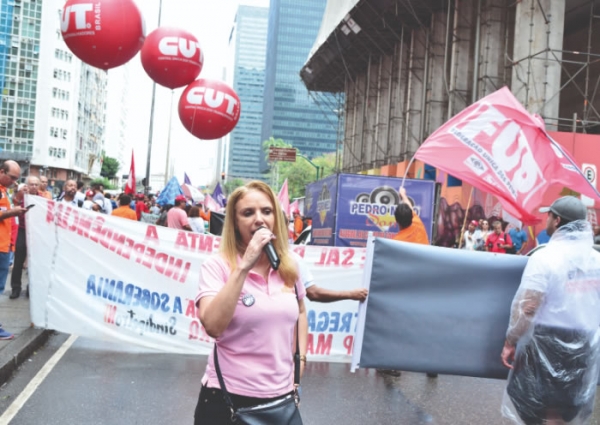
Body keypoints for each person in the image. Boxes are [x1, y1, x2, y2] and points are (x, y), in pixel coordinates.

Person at [193, 181, 307, 424]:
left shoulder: (290, 266)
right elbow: (213, 325)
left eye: (266, 211)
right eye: (248, 213)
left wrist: (301, 362)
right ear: (234, 223)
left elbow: (300, 311)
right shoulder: (217, 266)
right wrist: (244, 266)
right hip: (228, 399)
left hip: (281, 398)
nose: (259, 219)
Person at [500, 196, 600, 425]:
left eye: (549, 215)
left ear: (557, 221)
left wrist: (510, 341)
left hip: (546, 340)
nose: (547, 219)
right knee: (563, 409)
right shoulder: (597, 260)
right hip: (583, 342)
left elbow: (528, 307)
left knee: (538, 406)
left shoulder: (545, 257)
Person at [0, 161, 28, 334]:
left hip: (4, 248)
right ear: (2, 171)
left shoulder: (4, 191)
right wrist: (13, 212)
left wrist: (16, 202)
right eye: (12, 178)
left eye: (17, 179)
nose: (14, 182)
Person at [10, 175, 39, 299]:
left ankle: (30, 288)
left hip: (37, 233)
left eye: (36, 184)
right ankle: (15, 288)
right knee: (18, 261)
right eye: (31, 184)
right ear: (27, 185)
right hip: (22, 230)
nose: (33, 187)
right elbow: (14, 205)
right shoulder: (22, 197)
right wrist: (19, 195)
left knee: (35, 262)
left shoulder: (42, 199)